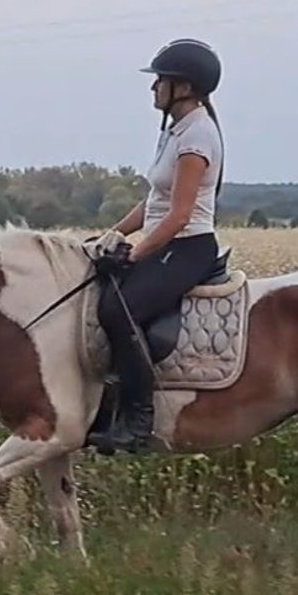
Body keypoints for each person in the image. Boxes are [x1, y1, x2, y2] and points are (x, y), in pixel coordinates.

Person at [84, 38, 226, 454]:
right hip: (169, 243)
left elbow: (179, 215)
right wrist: (114, 234)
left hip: (187, 247)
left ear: (183, 87)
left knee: (117, 308)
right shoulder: (177, 130)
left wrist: (135, 253)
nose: (153, 88)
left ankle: (139, 422)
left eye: (160, 80)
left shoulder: (198, 136)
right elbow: (154, 202)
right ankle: (106, 407)